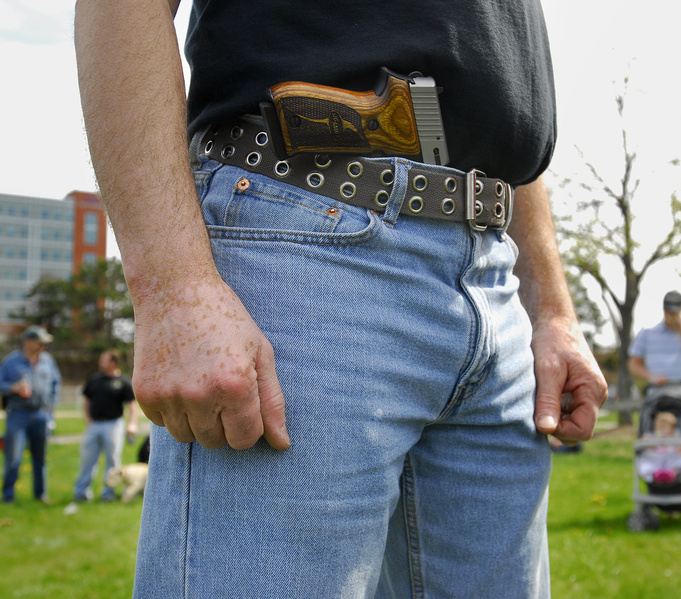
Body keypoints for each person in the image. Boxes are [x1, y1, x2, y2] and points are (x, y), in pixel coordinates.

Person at [74, 1, 608, 596]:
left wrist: (553, 311)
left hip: (493, 276)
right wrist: (174, 290)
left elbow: (497, 95)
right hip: (301, 243)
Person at [0, 326, 61, 504]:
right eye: (40, 342)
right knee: (13, 458)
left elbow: (56, 384)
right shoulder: (11, 361)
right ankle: (8, 496)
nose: (44, 346)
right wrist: (13, 388)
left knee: (40, 458)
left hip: (41, 414)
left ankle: (40, 494)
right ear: (29, 342)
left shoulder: (48, 361)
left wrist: (50, 412)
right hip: (18, 415)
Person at [73, 350, 139, 502]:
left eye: (104, 359)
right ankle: (81, 493)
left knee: (113, 461)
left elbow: (132, 405)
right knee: (87, 459)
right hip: (94, 425)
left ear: (114, 362)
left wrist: (132, 423)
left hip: (113, 425)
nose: (100, 362)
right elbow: (86, 400)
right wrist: (88, 420)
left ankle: (108, 494)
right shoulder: (94, 379)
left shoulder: (123, 382)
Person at [629, 291, 681, 390]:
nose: (670, 315)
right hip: (659, 391)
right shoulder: (646, 332)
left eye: (674, 312)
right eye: (668, 311)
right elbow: (634, 364)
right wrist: (652, 377)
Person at [637, 411, 681, 484]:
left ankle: (672, 473)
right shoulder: (652, 436)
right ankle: (655, 474)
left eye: (664, 427)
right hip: (657, 460)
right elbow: (646, 447)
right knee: (646, 461)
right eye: (658, 427)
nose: (660, 430)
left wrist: (680, 449)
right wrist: (647, 442)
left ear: (672, 429)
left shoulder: (677, 437)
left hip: (671, 460)